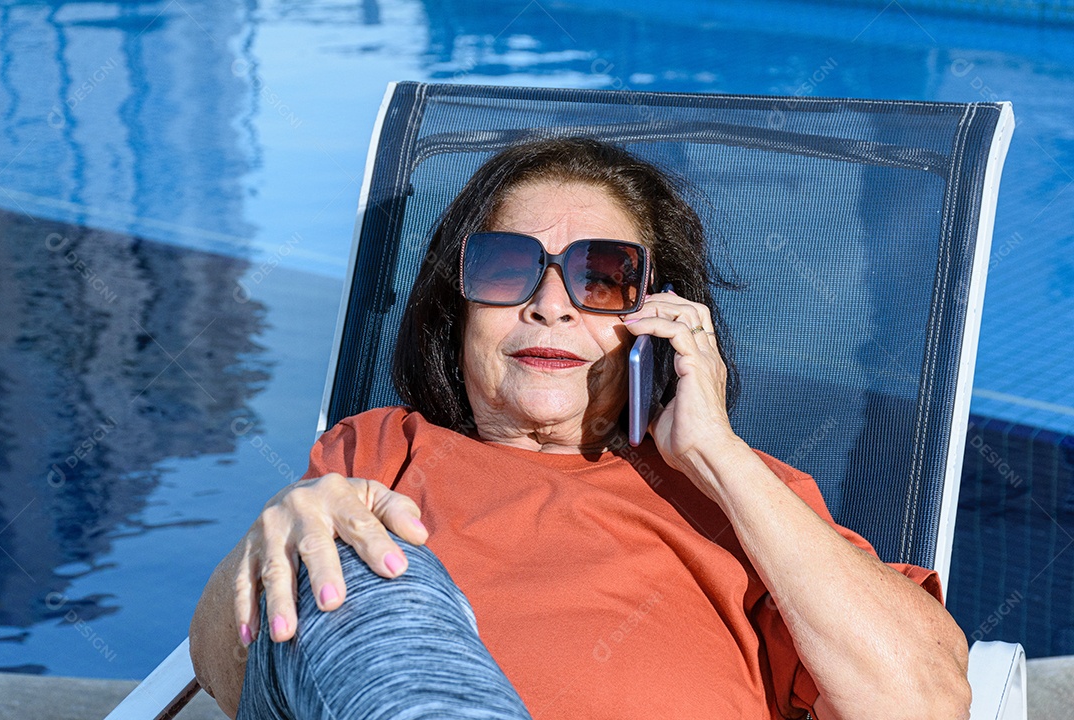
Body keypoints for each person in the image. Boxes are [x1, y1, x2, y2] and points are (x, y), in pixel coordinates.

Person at [190, 137, 971, 719]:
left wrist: (717, 455)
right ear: (458, 306)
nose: (550, 305)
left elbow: (924, 703)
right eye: (506, 267)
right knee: (347, 555)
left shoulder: (751, 501)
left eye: (602, 276)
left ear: (661, 315)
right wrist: (271, 538)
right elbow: (233, 678)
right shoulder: (384, 452)